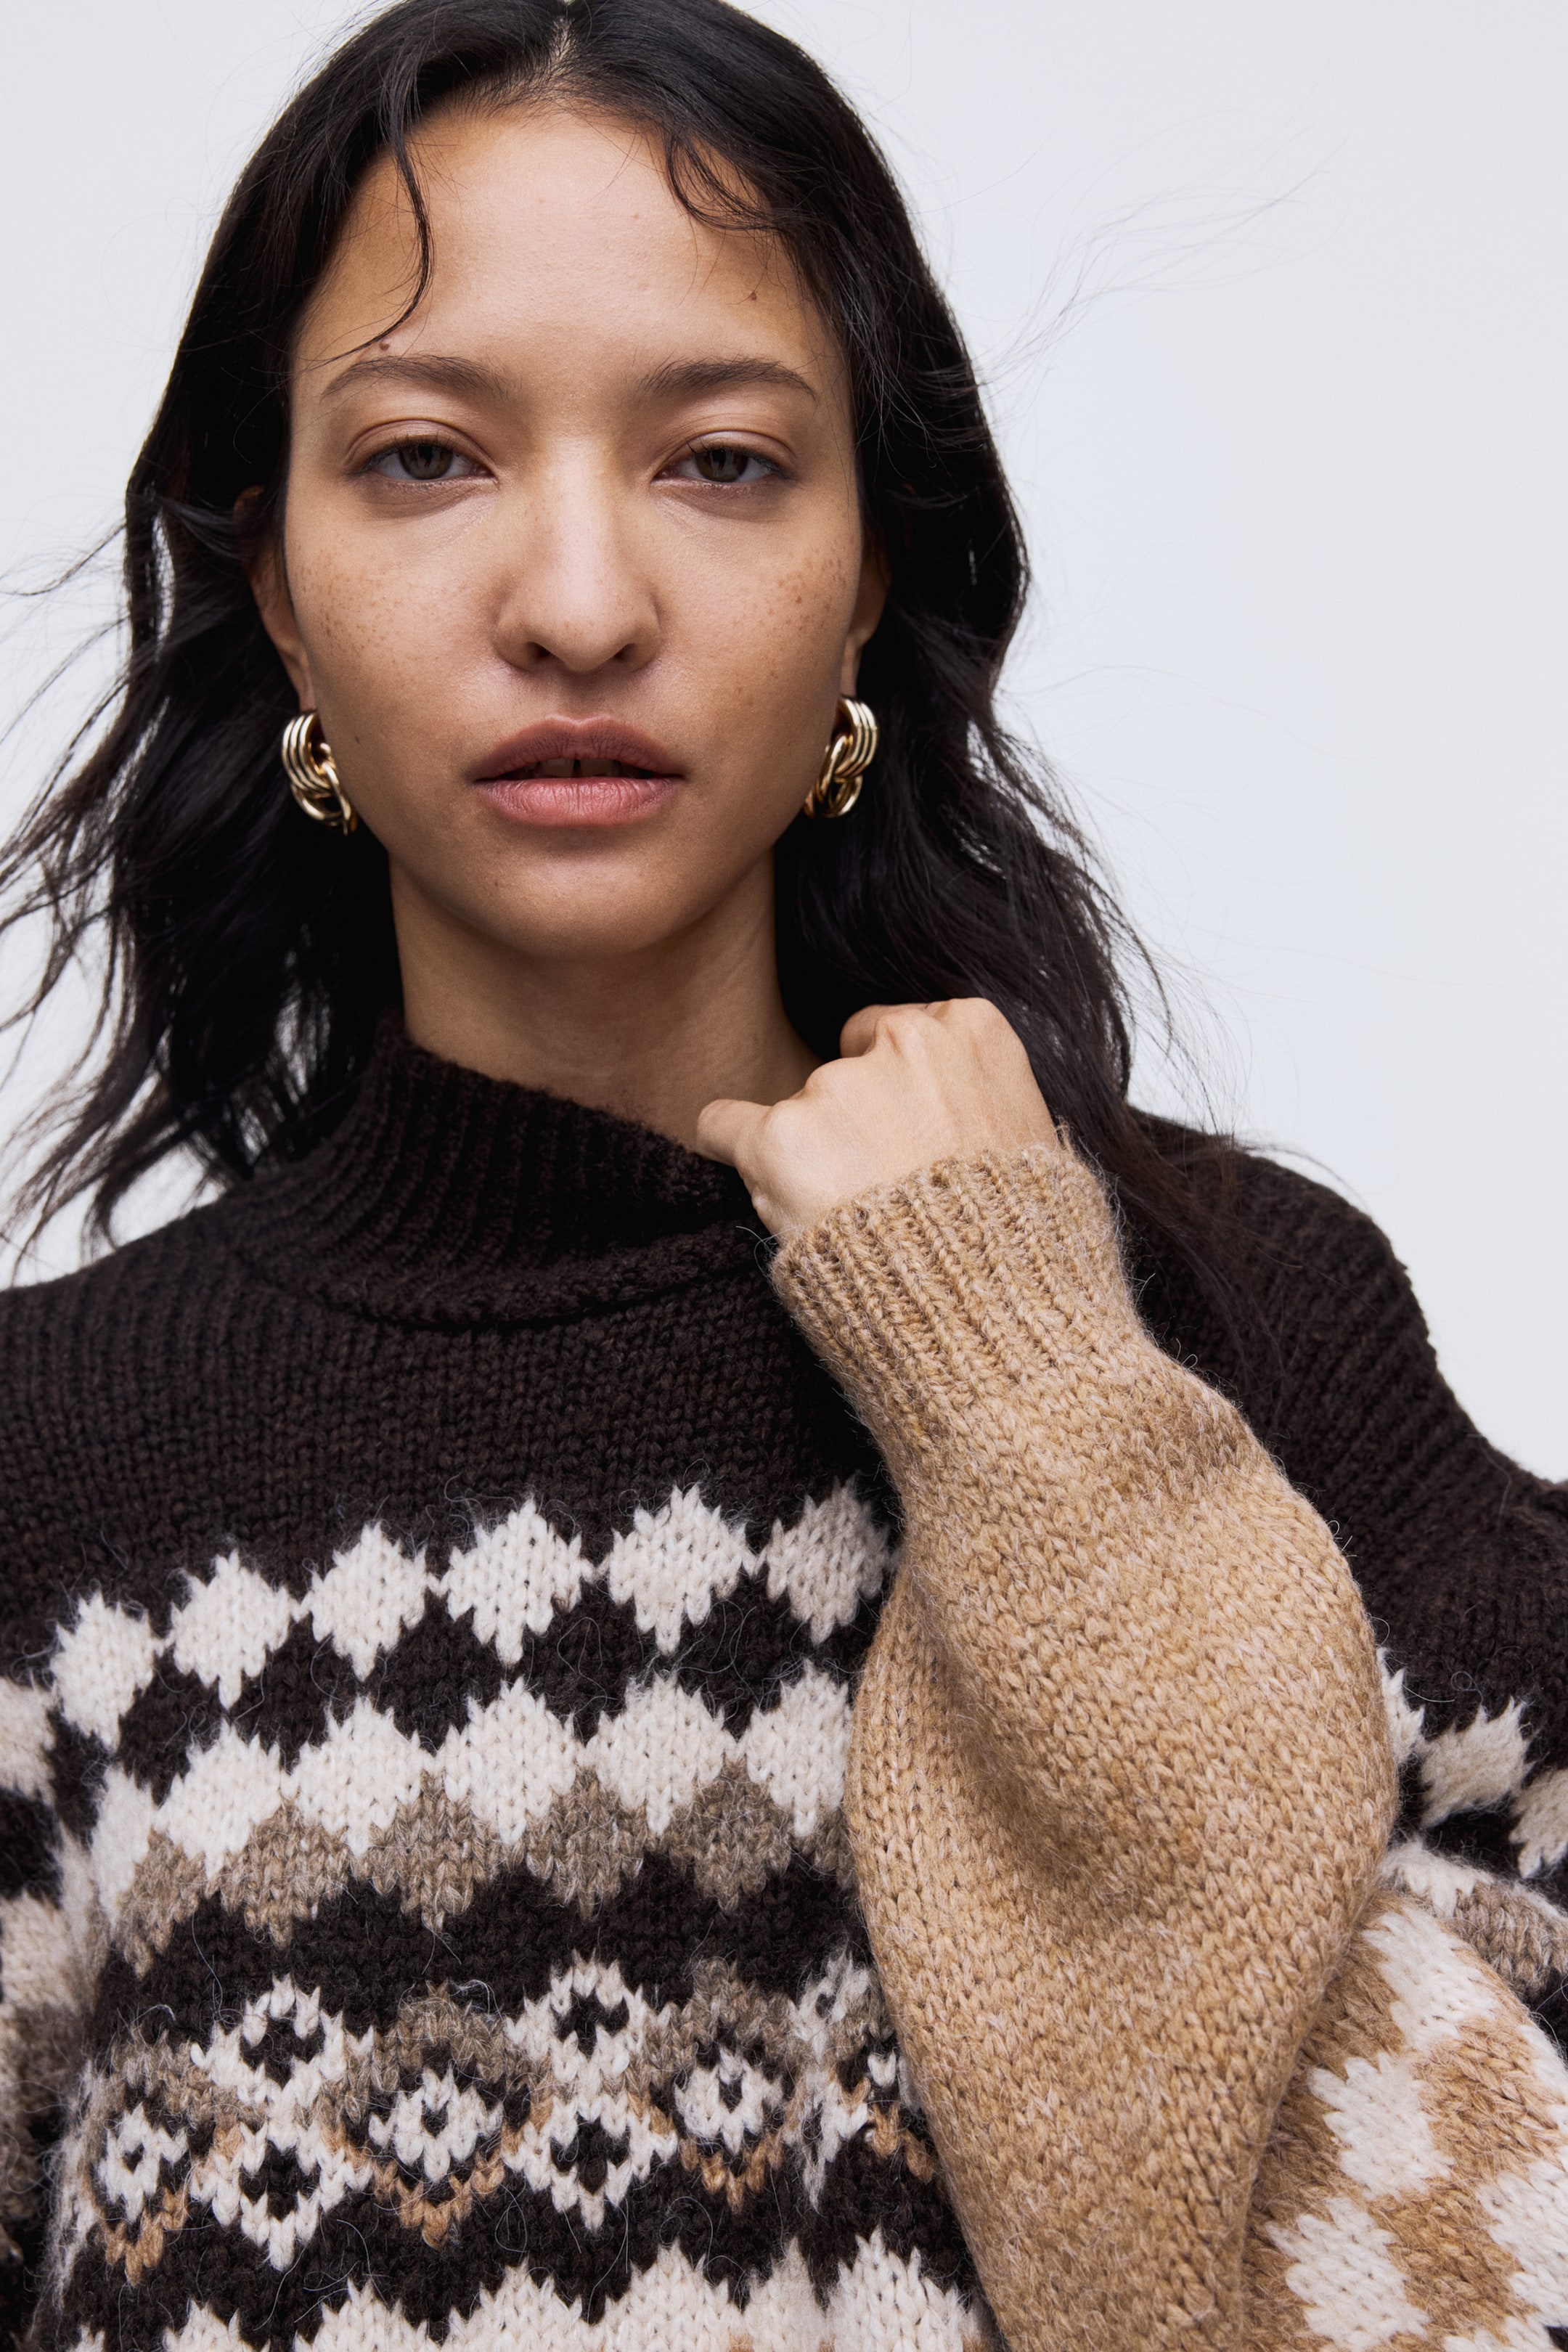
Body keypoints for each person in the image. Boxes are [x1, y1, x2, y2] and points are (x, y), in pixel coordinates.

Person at [1, 2, 1564, 2345]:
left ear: (868, 573)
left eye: (721, 462)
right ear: (280, 586)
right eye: (424, 458)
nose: (579, 603)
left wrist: (1027, 1392)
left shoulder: (1230, 1331)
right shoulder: (50, 1470)